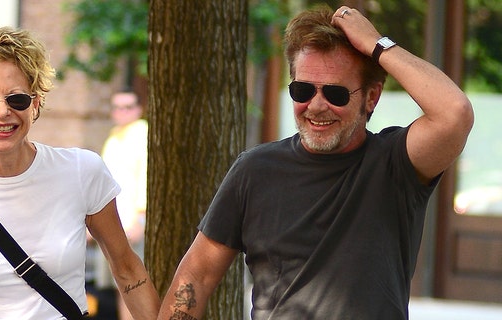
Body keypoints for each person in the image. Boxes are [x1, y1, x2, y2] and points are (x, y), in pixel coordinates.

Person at [158, 6, 473, 320]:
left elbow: (454, 113)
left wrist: (377, 44)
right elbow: (196, 276)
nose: (317, 106)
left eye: (336, 94)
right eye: (303, 90)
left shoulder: (396, 164)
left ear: (372, 97)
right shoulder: (254, 170)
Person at [0, 26, 160, 319]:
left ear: (35, 103)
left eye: (17, 99)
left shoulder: (81, 172)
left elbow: (128, 271)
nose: (2, 112)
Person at [94, 91, 148, 320]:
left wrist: (141, 218)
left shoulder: (142, 134)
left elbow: (146, 176)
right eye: (117, 107)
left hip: (133, 223)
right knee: (120, 284)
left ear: (139, 109)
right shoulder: (114, 137)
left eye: (128, 107)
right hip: (114, 223)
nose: (122, 112)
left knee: (135, 283)